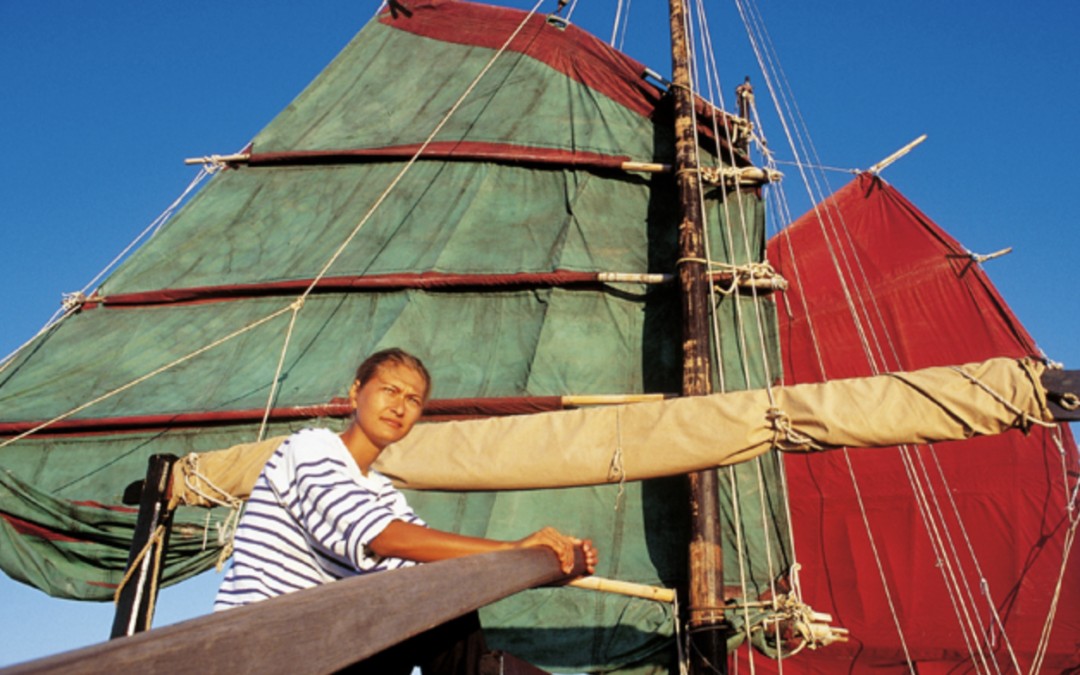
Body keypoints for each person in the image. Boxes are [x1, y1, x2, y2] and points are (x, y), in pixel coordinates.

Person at [214, 348, 598, 674]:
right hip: (265, 646)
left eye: (413, 400)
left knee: (445, 597)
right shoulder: (311, 448)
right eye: (390, 390)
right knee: (441, 599)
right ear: (355, 394)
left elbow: (435, 570)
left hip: (326, 649)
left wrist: (549, 562)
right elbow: (382, 537)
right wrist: (514, 550)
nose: (399, 406)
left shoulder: (381, 492)